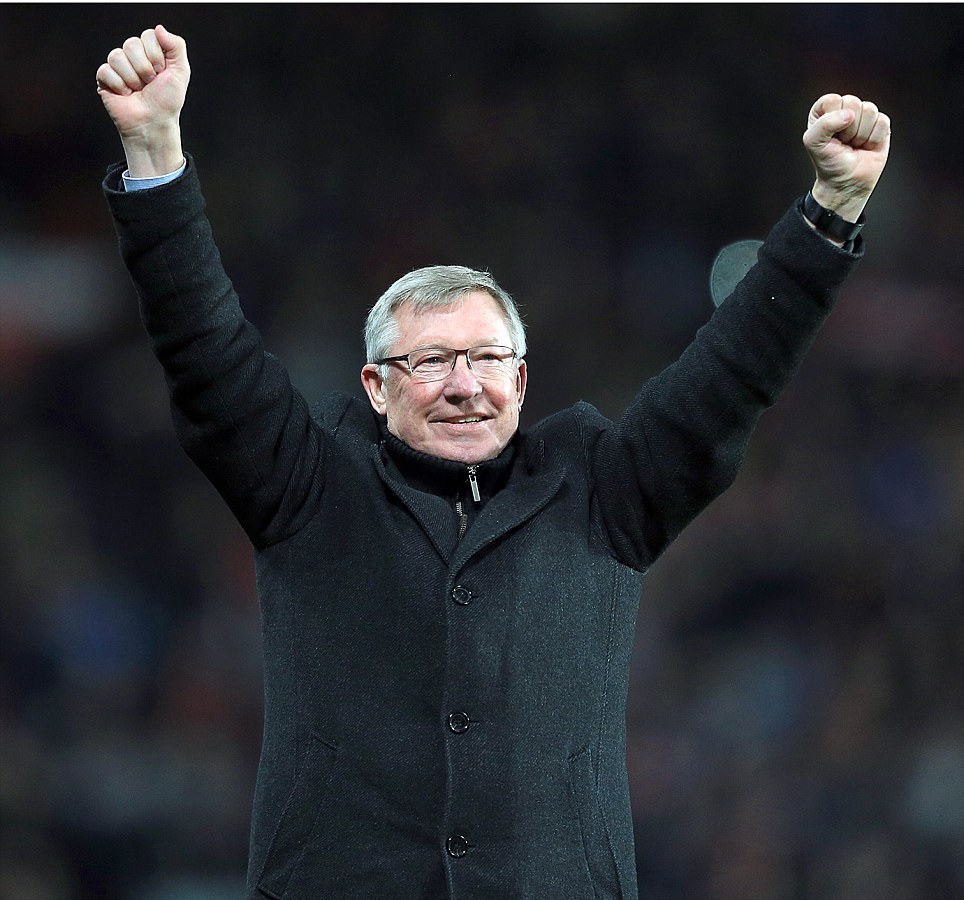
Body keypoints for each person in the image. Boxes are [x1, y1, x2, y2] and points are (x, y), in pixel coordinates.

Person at [96, 24, 890, 900]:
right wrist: (154, 152)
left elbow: (730, 377)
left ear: (521, 380)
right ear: (375, 386)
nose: (464, 385)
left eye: (485, 359)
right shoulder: (309, 485)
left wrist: (831, 210)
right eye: (431, 361)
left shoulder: (601, 492)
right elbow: (204, 351)